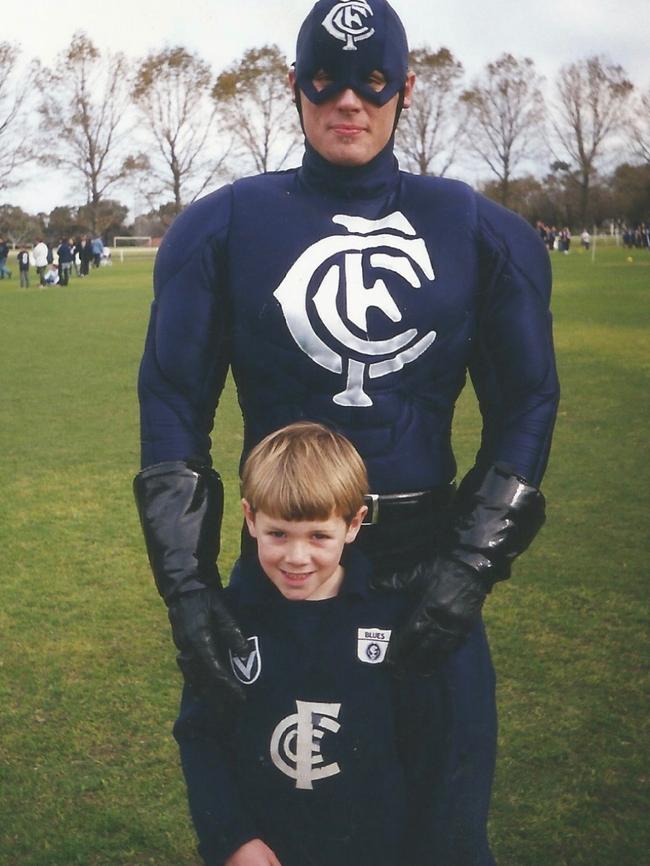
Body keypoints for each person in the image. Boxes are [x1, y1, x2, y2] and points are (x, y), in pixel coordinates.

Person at [134, 2, 559, 862]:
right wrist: (187, 592)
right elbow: (173, 404)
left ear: (406, 89)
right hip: (280, 571)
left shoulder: (479, 232)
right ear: (294, 88)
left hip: (426, 572)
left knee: (444, 830)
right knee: (268, 830)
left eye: (372, 81)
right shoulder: (219, 229)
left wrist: (470, 566)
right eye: (325, 79)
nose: (349, 102)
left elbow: (527, 404)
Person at [174, 421, 461, 866]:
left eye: (318, 536)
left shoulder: (395, 620)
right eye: (278, 534)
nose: (296, 557)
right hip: (264, 851)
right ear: (251, 519)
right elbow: (200, 736)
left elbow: (430, 746)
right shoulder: (227, 622)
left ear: (353, 524)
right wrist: (231, 839)